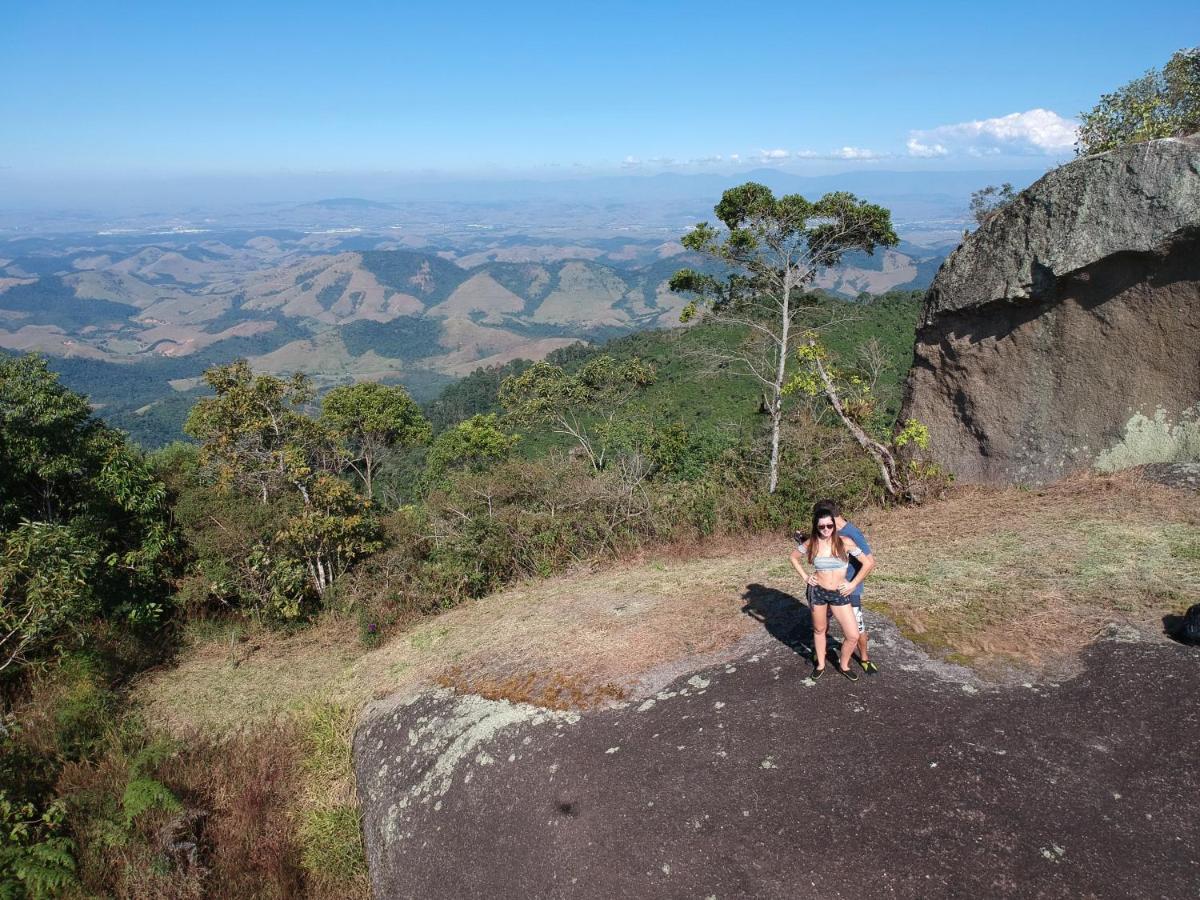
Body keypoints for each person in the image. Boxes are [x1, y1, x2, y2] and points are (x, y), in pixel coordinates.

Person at [789, 507, 871, 682]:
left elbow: (868, 563)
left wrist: (853, 584)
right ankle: (820, 665)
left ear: (834, 525)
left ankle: (844, 665)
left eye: (829, 525)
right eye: (821, 527)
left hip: (839, 594)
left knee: (853, 635)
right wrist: (805, 576)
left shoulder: (845, 542)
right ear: (815, 527)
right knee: (819, 629)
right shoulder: (811, 543)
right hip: (818, 592)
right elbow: (793, 557)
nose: (826, 530)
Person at [814, 499, 879, 674]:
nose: (823, 525)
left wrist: (853, 584)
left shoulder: (852, 534)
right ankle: (821, 654)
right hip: (828, 589)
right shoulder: (833, 531)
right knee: (823, 624)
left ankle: (864, 658)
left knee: (857, 628)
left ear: (832, 517)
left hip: (849, 588)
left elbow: (870, 562)